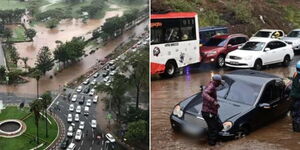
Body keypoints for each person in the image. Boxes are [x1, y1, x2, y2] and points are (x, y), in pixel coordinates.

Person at [201, 74, 224, 146]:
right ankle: (212, 145)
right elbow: (204, 94)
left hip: (212, 112)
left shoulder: (212, 85)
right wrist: (213, 101)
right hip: (208, 113)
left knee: (219, 126)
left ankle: (208, 138)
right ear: (216, 81)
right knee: (214, 129)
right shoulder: (211, 86)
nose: (220, 85)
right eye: (219, 83)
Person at [291, 61, 300, 132]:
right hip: (298, 98)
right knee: (298, 115)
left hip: (293, 98)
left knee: (294, 114)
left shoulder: (295, 74)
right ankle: (297, 130)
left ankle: (295, 129)